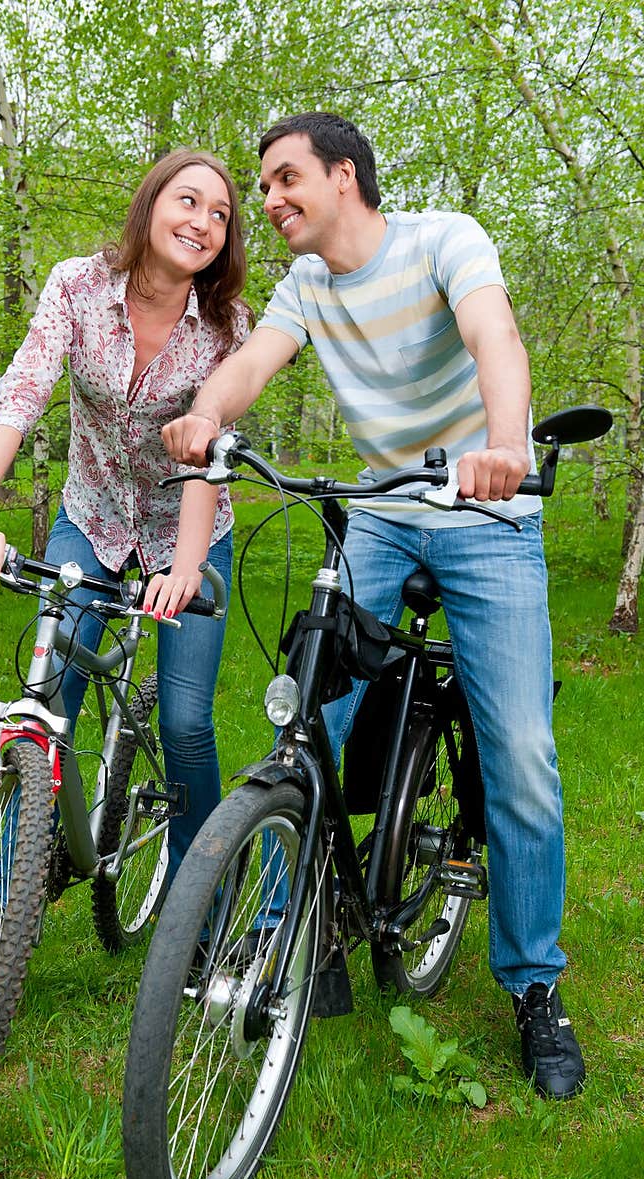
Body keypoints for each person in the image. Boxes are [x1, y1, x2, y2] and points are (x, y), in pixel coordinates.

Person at [162, 111, 585, 1101]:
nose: (264, 202)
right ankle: (290, 932)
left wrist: (506, 446)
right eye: (260, 186)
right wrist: (205, 414)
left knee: (520, 749)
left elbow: (496, 335)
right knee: (305, 711)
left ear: (344, 177)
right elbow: (253, 362)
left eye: (282, 179)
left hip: (482, 508)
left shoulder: (446, 239)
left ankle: (533, 986)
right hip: (384, 509)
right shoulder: (305, 284)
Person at [0, 148, 252, 881]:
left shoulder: (227, 325)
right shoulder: (76, 287)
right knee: (49, 702)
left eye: (220, 215)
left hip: (190, 529)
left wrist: (184, 571)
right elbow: (21, 395)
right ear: (151, 205)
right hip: (92, 516)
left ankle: (197, 906)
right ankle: (11, 903)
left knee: (184, 724)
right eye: (188, 201)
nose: (202, 222)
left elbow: (207, 455)